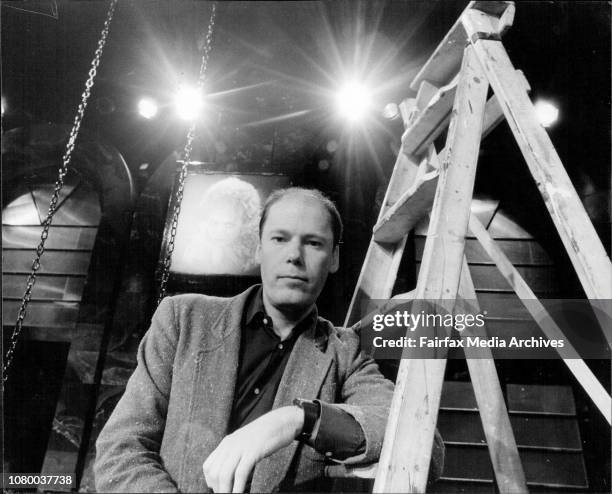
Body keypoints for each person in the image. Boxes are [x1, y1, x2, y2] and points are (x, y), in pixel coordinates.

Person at [94, 187, 444, 493]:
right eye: (280, 239)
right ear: (259, 248)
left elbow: (425, 446)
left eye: (313, 243)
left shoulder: (345, 352)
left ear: (333, 258)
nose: (294, 255)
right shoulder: (182, 319)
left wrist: (298, 419)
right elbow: (121, 450)